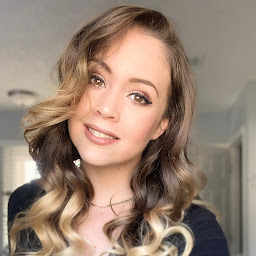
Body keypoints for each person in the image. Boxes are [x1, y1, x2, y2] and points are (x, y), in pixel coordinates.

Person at [8, 5, 230, 256]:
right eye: (96, 79)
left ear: (161, 125)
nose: (106, 108)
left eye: (138, 96)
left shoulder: (197, 233)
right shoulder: (27, 204)